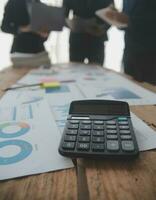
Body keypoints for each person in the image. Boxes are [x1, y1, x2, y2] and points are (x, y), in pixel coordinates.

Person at [104, 0, 156, 84]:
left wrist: (130, 20)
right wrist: (116, 17)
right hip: (130, 52)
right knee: (130, 88)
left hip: (150, 54)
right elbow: (126, 22)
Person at [1, 0, 50, 67]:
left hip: (40, 51)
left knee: (47, 75)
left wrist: (45, 34)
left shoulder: (42, 5)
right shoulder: (13, 3)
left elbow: (46, 29)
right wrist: (23, 29)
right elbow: (4, 27)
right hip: (21, 51)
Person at [63, 0, 113, 66]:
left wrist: (103, 28)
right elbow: (63, 16)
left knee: (97, 72)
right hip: (77, 40)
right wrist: (72, 24)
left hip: (97, 39)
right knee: (76, 71)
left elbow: (112, 15)